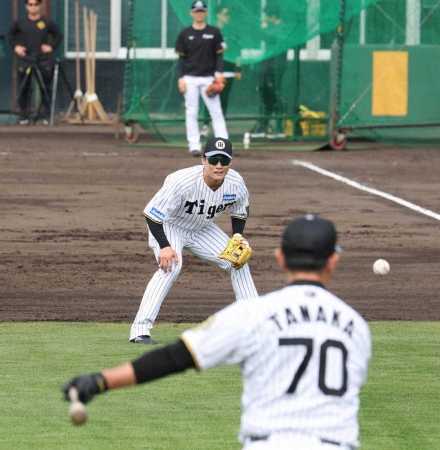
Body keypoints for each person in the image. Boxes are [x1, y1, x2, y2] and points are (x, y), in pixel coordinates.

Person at [62, 214, 371, 450]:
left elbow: (177, 357)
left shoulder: (253, 314)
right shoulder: (356, 325)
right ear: (333, 259)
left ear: (280, 258)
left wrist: (100, 382)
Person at [130, 137, 258, 344]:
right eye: (213, 159)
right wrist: (165, 246)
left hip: (201, 228)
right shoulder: (181, 181)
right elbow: (152, 215)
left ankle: (257, 325)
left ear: (230, 162)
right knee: (171, 266)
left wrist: (237, 237)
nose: (218, 165)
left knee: (238, 262)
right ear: (203, 160)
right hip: (169, 226)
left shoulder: (236, 183)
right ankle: (140, 330)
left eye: (223, 161)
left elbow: (239, 212)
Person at [175, 0, 229, 157]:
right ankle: (194, 145)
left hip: (208, 78)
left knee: (216, 112)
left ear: (206, 13)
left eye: (201, 11)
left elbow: (220, 55)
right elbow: (181, 59)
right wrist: (180, 78)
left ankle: (222, 145)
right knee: (192, 112)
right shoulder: (185, 34)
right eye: (196, 11)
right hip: (190, 78)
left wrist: (219, 73)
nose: (199, 14)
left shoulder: (214, 32)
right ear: (191, 13)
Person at [8, 0, 62, 125]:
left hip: (41, 60)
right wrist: (16, 47)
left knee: (45, 88)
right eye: (30, 5)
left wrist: (51, 47)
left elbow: (58, 35)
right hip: (25, 60)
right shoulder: (20, 22)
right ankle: (23, 116)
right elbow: (10, 35)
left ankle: (47, 116)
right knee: (24, 88)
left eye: (36, 4)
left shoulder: (46, 22)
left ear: (40, 6)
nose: (33, 7)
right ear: (26, 6)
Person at [200, 3, 242, 137]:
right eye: (225, 14)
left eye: (229, 14)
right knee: (210, 97)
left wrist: (238, 69)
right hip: (212, 72)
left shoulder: (233, 32)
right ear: (218, 15)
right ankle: (205, 125)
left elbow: (237, 53)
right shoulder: (211, 31)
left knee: (224, 100)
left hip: (228, 72)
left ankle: (220, 129)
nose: (227, 17)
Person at [249, 2, 287, 139]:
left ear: (272, 15)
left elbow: (274, 40)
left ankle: (279, 127)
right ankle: (264, 125)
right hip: (267, 66)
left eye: (267, 15)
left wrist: (264, 30)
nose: (265, 18)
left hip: (276, 67)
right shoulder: (271, 28)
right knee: (265, 94)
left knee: (274, 94)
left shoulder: (282, 28)